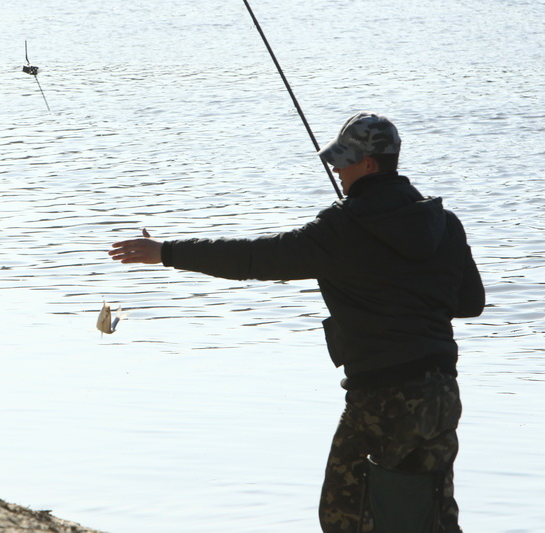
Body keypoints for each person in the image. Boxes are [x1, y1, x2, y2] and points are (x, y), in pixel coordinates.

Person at [108, 111, 485, 533]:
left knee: (347, 514)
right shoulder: (444, 223)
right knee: (430, 512)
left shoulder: (343, 227)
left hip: (382, 394)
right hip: (441, 390)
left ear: (369, 165)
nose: (337, 171)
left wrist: (167, 252)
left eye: (343, 162)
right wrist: (410, 294)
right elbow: (470, 302)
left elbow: (256, 259)